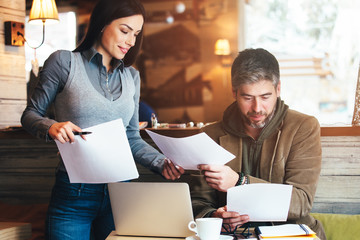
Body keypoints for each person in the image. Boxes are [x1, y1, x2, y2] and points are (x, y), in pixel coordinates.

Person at [21, 0, 184, 239]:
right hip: (74, 196)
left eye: (136, 34)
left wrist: (161, 162)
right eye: (124, 31)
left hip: (120, 195)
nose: (131, 41)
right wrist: (52, 126)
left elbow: (131, 138)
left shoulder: (132, 76)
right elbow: (30, 115)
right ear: (102, 24)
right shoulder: (64, 62)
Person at [190, 48, 326, 239]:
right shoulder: (209, 135)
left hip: (289, 234)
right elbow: (197, 201)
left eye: (265, 97)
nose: (257, 108)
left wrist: (240, 182)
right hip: (231, 235)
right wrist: (214, 216)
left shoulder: (303, 127)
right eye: (247, 97)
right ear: (234, 92)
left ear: (278, 89)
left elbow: (300, 202)